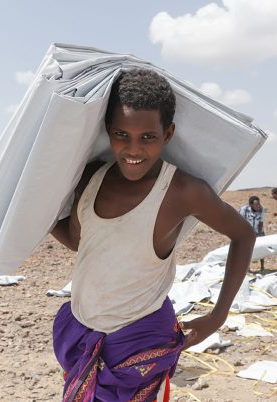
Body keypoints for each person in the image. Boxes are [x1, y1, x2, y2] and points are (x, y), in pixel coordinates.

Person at [51, 69, 256, 402]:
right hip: (82, 332)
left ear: (168, 133)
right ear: (108, 131)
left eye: (148, 137)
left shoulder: (182, 191)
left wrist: (218, 316)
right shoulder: (89, 178)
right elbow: (82, 242)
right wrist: (39, 218)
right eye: (122, 134)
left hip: (138, 342)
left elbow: (244, 236)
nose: (134, 149)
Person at [239, 196, 265, 273]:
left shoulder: (261, 209)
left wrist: (258, 234)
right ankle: (247, 268)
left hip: (258, 231)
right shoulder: (244, 210)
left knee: (262, 248)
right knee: (247, 250)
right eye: (256, 204)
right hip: (247, 231)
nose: (258, 206)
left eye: (259, 204)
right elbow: (241, 222)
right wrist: (248, 233)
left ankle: (262, 268)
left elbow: (261, 223)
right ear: (250, 204)